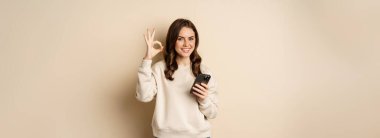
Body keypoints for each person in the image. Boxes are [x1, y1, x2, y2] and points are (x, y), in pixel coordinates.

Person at [136, 18, 218, 138]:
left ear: (196, 41)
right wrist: (147, 59)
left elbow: (213, 113)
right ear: (172, 41)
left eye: (191, 38)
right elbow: (144, 96)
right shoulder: (158, 69)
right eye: (180, 39)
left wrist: (204, 99)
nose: (186, 44)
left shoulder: (204, 72)